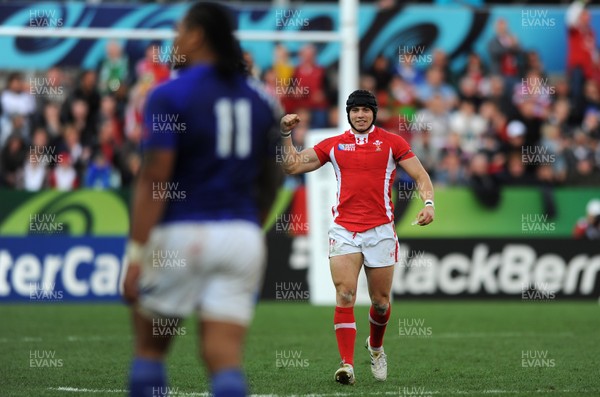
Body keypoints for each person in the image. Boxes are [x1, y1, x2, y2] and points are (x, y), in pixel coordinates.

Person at [122, 3, 281, 397]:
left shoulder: (168, 95)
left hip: (181, 233)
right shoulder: (262, 102)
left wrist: (137, 254)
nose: (173, 40)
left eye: (178, 30)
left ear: (196, 36)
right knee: (224, 359)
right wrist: (248, 224)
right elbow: (273, 179)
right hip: (241, 238)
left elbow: (156, 176)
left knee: (150, 352)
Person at [279, 90, 435, 384]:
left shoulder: (392, 142)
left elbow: (421, 176)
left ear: (373, 113)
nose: (360, 115)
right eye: (355, 110)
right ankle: (347, 365)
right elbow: (293, 165)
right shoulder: (335, 145)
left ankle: (375, 347)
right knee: (346, 293)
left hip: (380, 231)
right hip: (344, 230)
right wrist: (286, 134)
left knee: (380, 302)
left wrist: (429, 204)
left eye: (365, 109)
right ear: (348, 114)